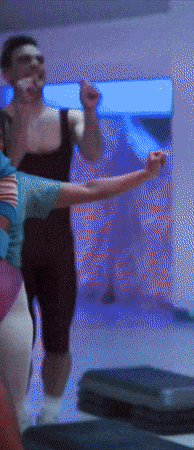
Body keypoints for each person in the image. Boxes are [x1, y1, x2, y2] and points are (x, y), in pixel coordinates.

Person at [0, 150, 166, 431]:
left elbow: (91, 189)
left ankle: (36, 421)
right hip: (11, 306)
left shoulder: (19, 185)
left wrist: (145, 174)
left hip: (9, 305)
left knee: (13, 414)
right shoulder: (18, 185)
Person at [0, 34, 105, 425]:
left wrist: (90, 111)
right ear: (7, 73)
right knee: (17, 342)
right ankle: (18, 415)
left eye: (39, 60)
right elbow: (8, 165)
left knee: (59, 337)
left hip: (58, 245)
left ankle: (50, 416)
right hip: (13, 249)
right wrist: (22, 114)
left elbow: (93, 152)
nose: (35, 66)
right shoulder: (2, 121)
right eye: (24, 61)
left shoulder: (69, 118)